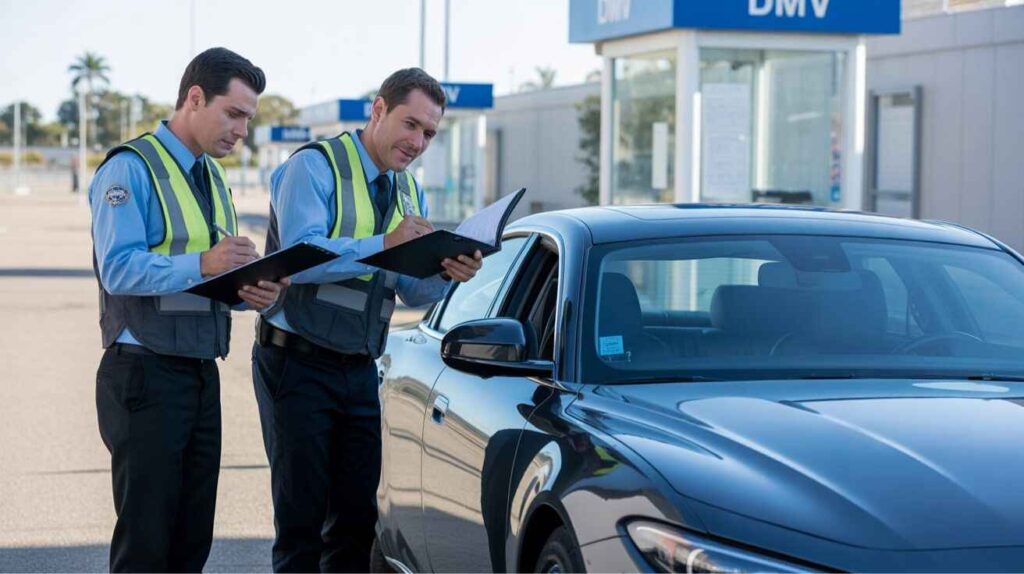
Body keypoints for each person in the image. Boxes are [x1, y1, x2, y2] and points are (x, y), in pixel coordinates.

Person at [252, 67, 482, 572]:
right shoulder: (312, 168)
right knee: (301, 524)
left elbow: (412, 288)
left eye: (428, 133)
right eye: (410, 125)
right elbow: (299, 257)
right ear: (378, 110)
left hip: (359, 368)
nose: (417, 141)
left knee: (356, 523)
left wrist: (450, 273)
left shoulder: (408, 191)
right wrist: (385, 243)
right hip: (297, 363)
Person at [90, 47, 286, 572]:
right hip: (145, 374)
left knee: (190, 542)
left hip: (200, 374)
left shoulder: (211, 177)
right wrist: (204, 263)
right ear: (194, 98)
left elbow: (208, 271)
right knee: (146, 545)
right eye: (235, 113)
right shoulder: (130, 168)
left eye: (249, 117)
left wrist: (249, 288)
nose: (242, 130)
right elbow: (119, 268)